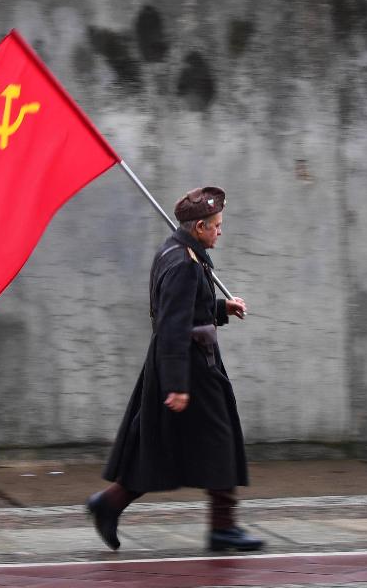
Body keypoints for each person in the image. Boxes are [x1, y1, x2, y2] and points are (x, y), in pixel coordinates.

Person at [87, 186, 264, 552]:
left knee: (161, 445)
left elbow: (188, 309)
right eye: (216, 225)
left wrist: (222, 309)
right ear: (199, 227)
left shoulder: (178, 251)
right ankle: (222, 527)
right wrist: (178, 385)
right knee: (218, 439)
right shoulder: (184, 263)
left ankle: (110, 503)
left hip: (185, 362)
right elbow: (172, 325)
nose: (220, 231)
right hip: (191, 366)